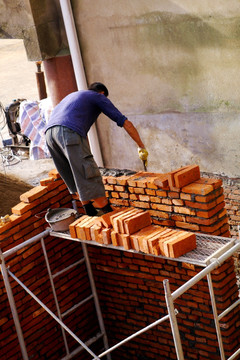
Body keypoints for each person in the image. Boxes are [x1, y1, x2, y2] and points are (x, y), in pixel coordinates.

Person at [45, 82, 148, 216]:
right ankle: (108, 212)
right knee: (88, 171)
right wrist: (140, 145)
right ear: (102, 93)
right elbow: (125, 123)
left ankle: (89, 210)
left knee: (74, 172)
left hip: (49, 136)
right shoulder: (97, 97)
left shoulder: (74, 96)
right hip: (67, 133)